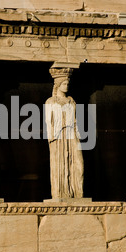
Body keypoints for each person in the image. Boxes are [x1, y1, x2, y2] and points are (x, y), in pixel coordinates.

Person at [45, 68, 84, 199]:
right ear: (58, 85)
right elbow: (48, 122)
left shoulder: (71, 101)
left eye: (67, 84)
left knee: (79, 163)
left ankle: (78, 192)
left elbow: (76, 120)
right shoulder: (51, 101)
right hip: (59, 136)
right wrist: (53, 139)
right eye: (64, 84)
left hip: (72, 133)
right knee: (61, 165)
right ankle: (61, 193)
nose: (66, 86)